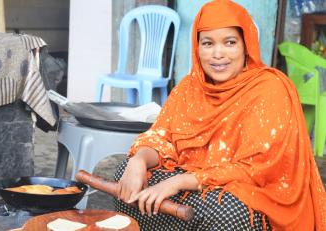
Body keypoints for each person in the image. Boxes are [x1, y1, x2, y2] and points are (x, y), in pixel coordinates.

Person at [113, 0, 326, 230]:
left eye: (230, 42)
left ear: (246, 45)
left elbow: (256, 169)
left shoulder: (269, 88)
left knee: (224, 211)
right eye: (207, 43)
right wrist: (139, 161)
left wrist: (178, 182)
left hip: (251, 195)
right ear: (197, 47)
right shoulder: (189, 88)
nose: (218, 54)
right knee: (125, 175)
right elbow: (162, 138)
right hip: (198, 186)